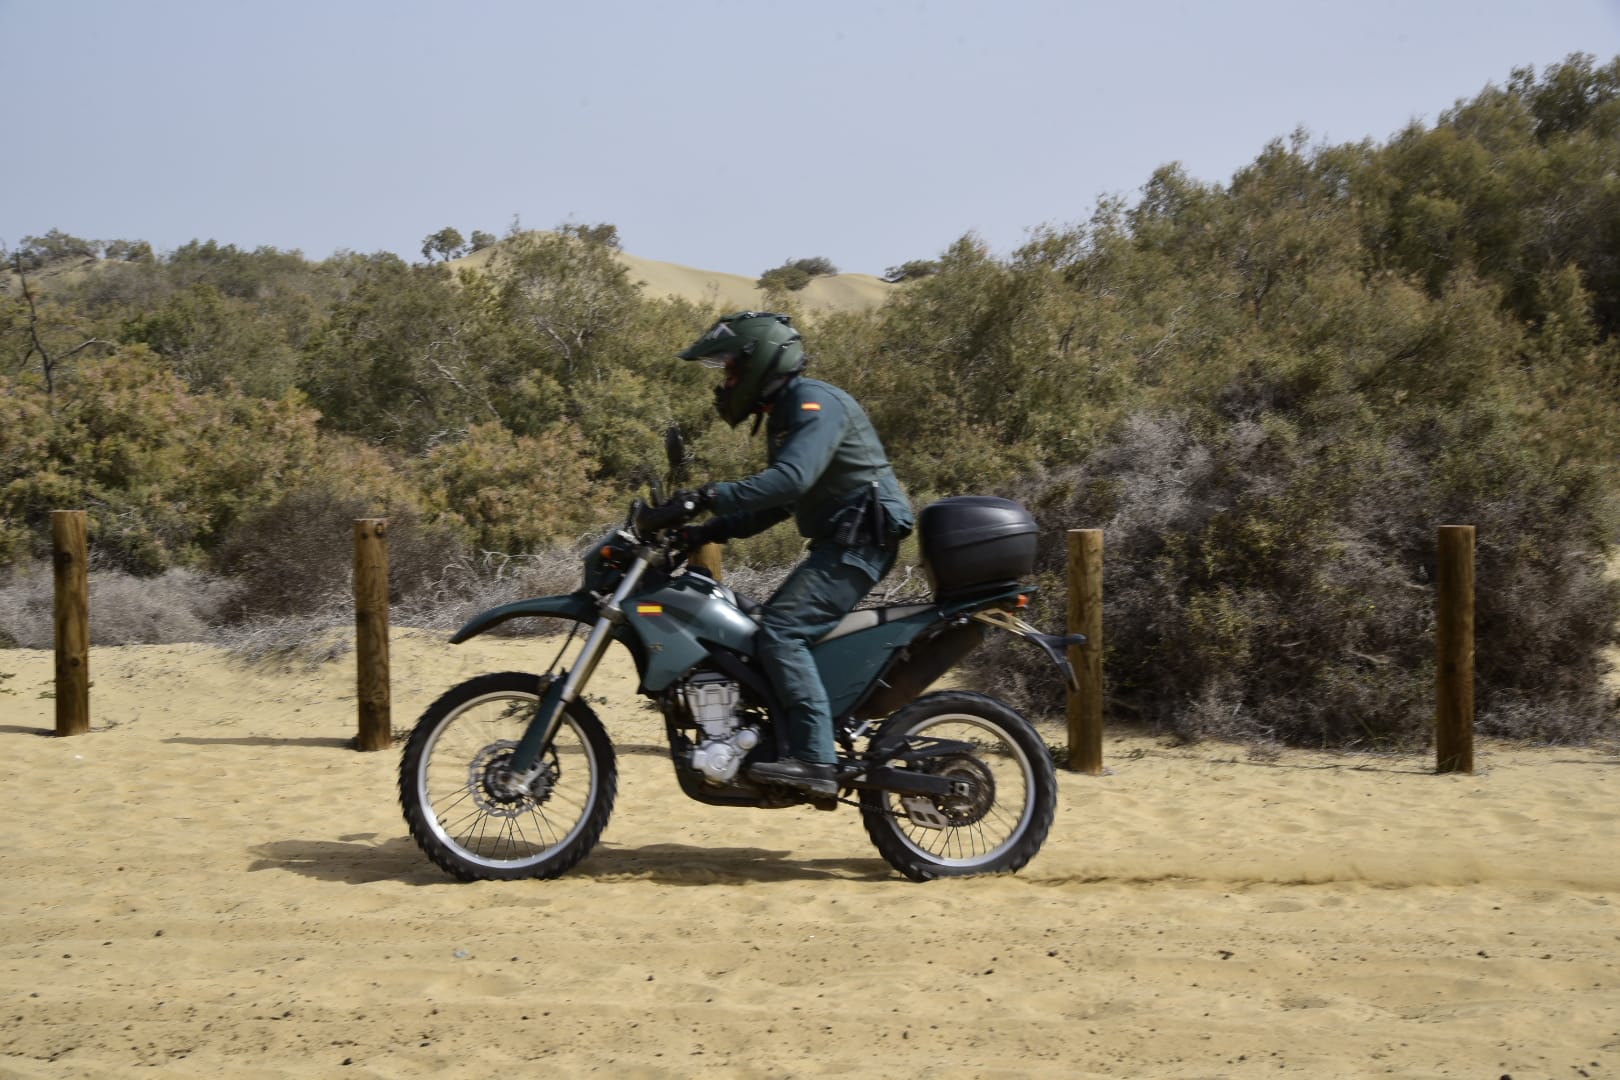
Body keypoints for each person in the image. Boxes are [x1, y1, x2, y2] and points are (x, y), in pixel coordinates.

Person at [671, 311, 913, 797]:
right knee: (761, 625)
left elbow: (791, 480)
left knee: (781, 630)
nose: (727, 382)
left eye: (732, 370)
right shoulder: (786, 414)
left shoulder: (812, 402)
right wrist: (705, 531)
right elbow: (779, 503)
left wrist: (706, 495)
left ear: (760, 362)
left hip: (861, 541)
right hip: (844, 541)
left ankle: (816, 760)